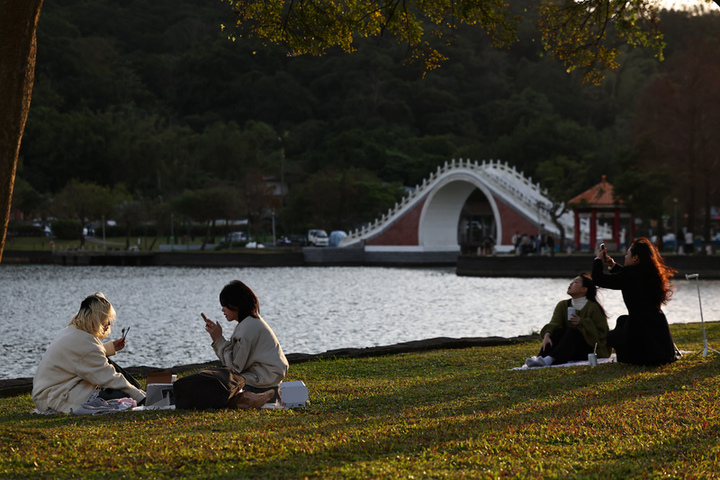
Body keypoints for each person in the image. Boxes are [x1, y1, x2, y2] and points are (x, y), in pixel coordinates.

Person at [32, 292, 146, 413]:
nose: (109, 324)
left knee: (124, 390)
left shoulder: (73, 331)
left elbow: (82, 356)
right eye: (106, 319)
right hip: (55, 397)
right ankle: (139, 391)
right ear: (97, 319)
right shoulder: (85, 342)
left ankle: (137, 389)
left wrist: (110, 347)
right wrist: (140, 397)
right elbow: (108, 376)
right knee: (123, 396)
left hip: (46, 394)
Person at [593, 237, 678, 366]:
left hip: (639, 328)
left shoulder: (630, 274)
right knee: (622, 321)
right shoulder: (651, 272)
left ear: (635, 258)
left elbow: (598, 280)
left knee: (611, 337)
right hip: (657, 327)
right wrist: (612, 265)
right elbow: (631, 279)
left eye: (627, 254)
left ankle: (632, 355)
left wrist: (598, 260)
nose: (625, 256)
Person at [203, 280, 289, 402]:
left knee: (212, 387)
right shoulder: (249, 323)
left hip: (257, 384)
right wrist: (218, 340)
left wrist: (219, 340)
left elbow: (234, 368)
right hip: (264, 381)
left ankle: (261, 397)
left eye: (225, 305)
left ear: (236, 304)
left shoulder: (248, 329)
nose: (223, 309)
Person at [525, 273, 610, 367]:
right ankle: (540, 358)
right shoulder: (563, 305)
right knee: (556, 332)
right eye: (572, 281)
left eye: (575, 282)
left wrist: (582, 322)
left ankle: (548, 360)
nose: (571, 284)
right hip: (568, 349)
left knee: (572, 332)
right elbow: (554, 323)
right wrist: (547, 334)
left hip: (589, 350)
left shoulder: (593, 307)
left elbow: (602, 334)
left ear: (584, 289)